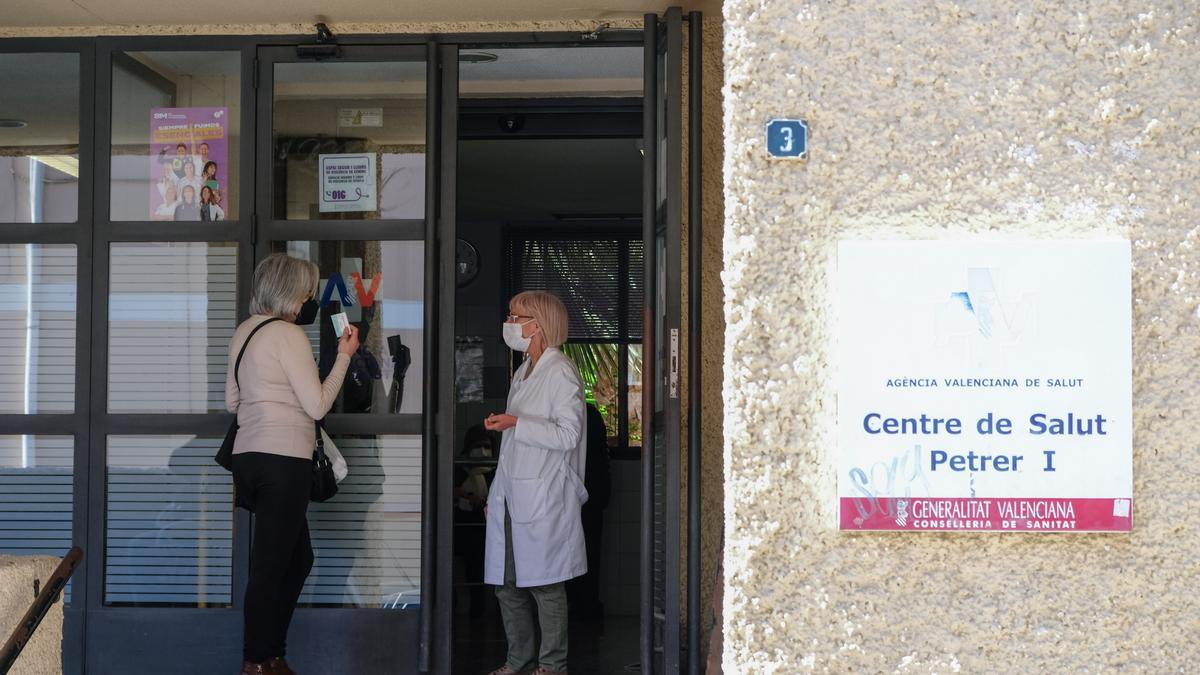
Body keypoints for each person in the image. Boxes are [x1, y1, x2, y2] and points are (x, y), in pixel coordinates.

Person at [225, 253, 359, 675]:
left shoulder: (244, 332)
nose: (307, 300)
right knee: (270, 565)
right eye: (305, 292)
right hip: (284, 459)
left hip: (249, 457)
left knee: (297, 560)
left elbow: (232, 401)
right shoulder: (288, 335)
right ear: (288, 293)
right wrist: (344, 356)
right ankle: (256, 662)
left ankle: (273, 654)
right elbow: (317, 404)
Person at [483, 290, 588, 675]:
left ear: (538, 325)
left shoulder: (560, 372)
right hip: (514, 494)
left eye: (516, 317)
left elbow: (567, 436)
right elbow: (514, 447)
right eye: (509, 315)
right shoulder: (522, 371)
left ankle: (551, 665)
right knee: (507, 584)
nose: (509, 324)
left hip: (545, 495)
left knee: (546, 585)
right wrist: (497, 494)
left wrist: (515, 423)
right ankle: (518, 659)